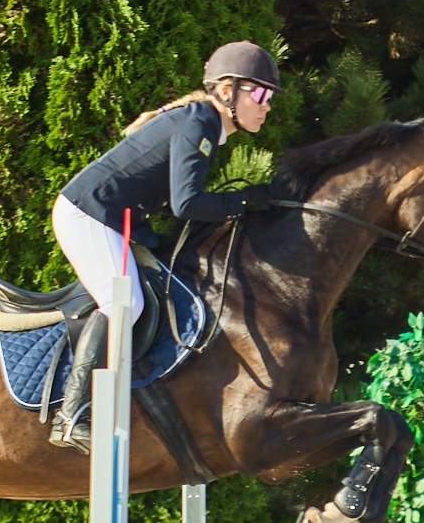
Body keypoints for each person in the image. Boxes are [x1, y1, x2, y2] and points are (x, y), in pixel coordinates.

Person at [38, 40, 281, 448]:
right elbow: (186, 203)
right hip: (87, 215)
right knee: (124, 303)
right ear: (227, 92)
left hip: (115, 220)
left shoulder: (203, 123)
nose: (266, 105)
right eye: (259, 94)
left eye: (269, 97)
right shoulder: (199, 123)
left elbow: (172, 201)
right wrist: (244, 201)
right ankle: (70, 414)